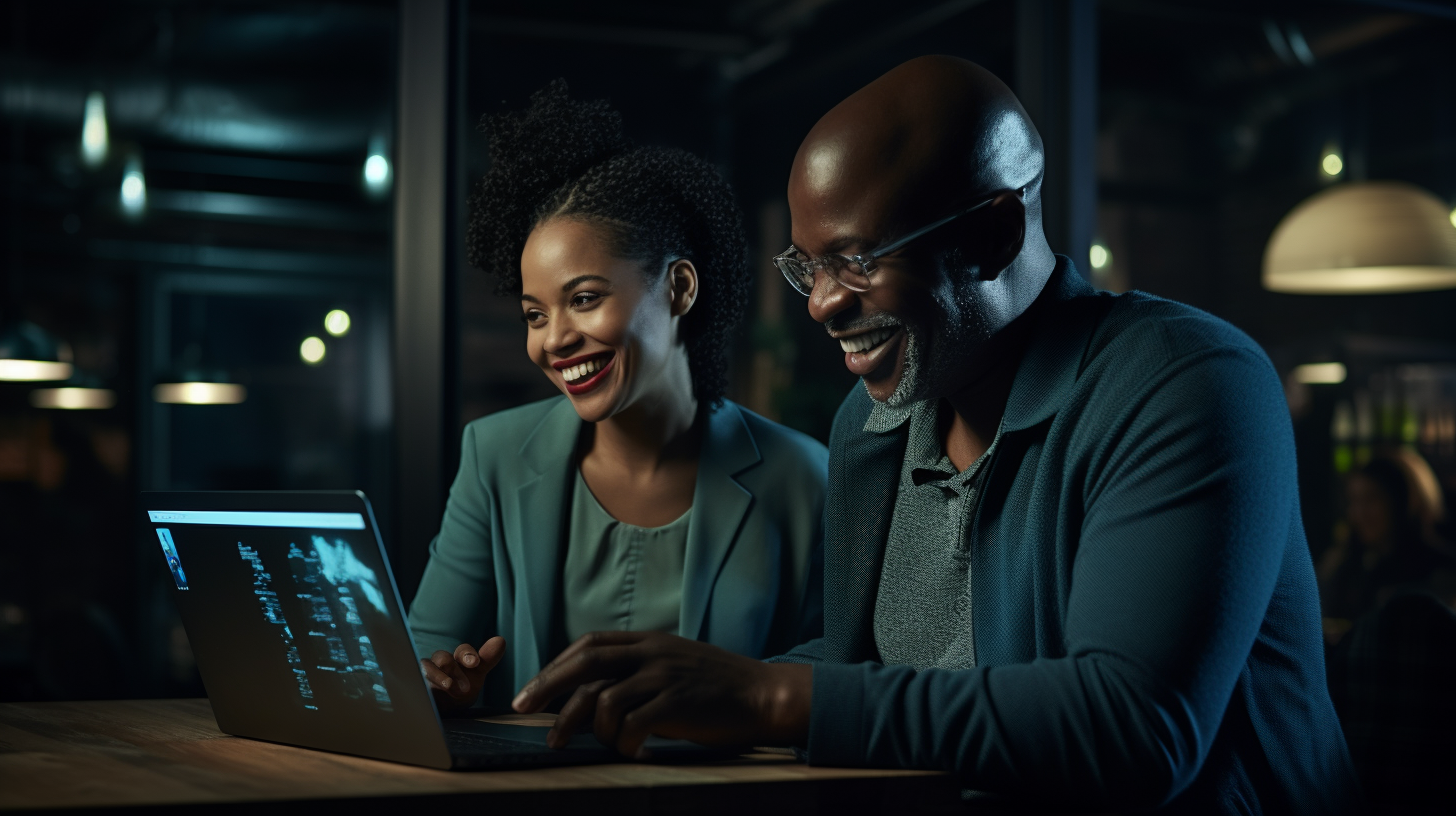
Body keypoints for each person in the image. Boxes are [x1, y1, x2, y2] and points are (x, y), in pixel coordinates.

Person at [510, 57, 1357, 813]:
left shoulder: (1186, 383)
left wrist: (771, 699)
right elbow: (860, 668)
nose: (821, 303)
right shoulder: (877, 420)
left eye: (857, 259)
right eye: (808, 266)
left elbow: (1135, 729)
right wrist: (663, 690)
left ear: (993, 236)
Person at [407, 81, 828, 712]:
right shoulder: (492, 455)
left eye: (583, 299)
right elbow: (425, 656)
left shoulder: (804, 477)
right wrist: (446, 680)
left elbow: (834, 674)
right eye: (534, 314)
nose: (554, 340)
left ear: (679, 289)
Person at [1319, 453, 1456, 639]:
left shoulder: (1441, 572)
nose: (1359, 513)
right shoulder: (1343, 565)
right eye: (1354, 501)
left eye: (1371, 499)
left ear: (1402, 501)